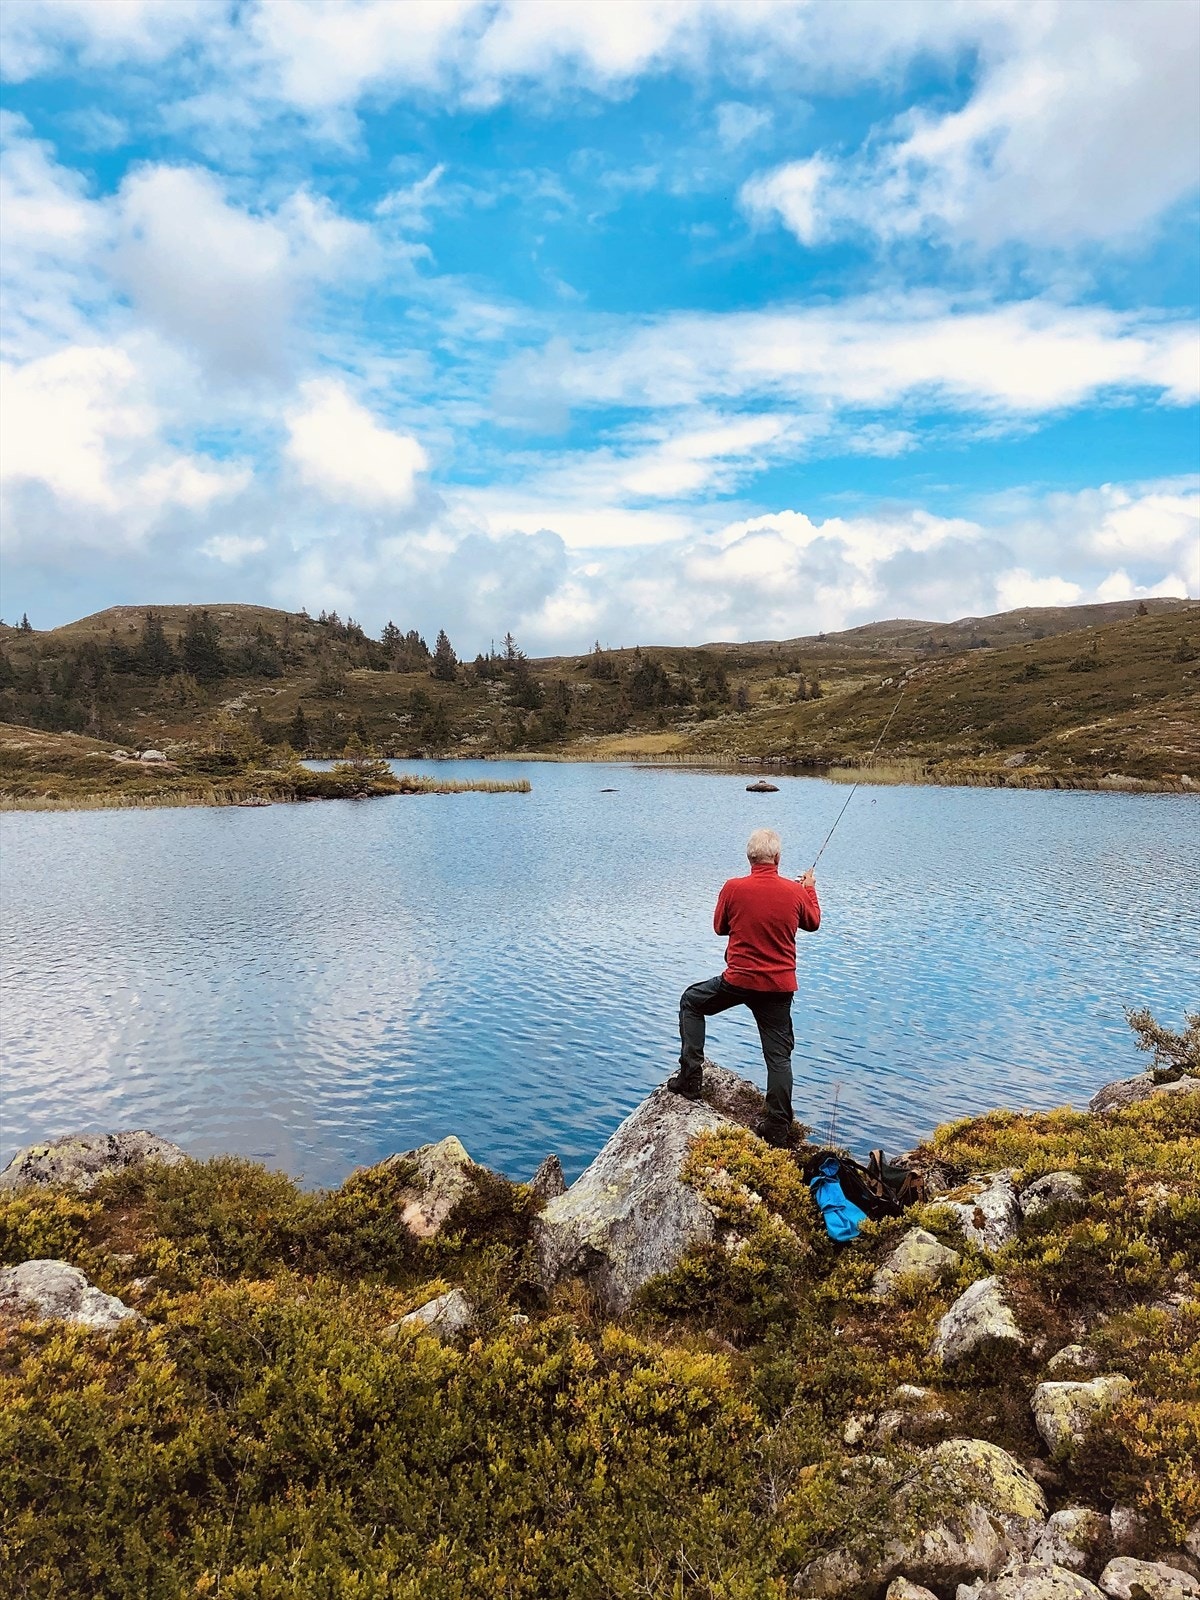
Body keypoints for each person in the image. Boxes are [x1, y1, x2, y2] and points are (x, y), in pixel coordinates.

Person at [668, 827, 820, 1147]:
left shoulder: (733, 888)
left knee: (692, 1002)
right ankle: (778, 1128)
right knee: (778, 1057)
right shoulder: (794, 893)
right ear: (777, 858)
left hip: (738, 981)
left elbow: (719, 927)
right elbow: (812, 923)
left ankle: (691, 1079)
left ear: (749, 858)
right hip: (778, 988)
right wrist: (808, 890)